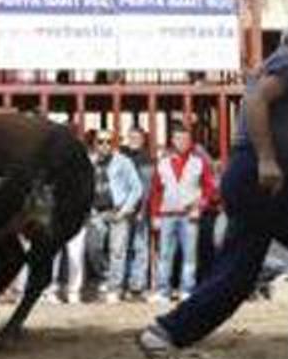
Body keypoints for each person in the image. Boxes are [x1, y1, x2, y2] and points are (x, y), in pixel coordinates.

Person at [137, 15, 288, 359]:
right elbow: (255, 102)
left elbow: (279, 142)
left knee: (238, 275)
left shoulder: (277, 65)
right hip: (263, 179)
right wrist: (265, 161)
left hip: (252, 176)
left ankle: (164, 333)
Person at [150, 124, 217, 305]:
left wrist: (200, 206)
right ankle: (163, 290)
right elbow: (156, 191)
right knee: (165, 255)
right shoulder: (163, 163)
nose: (182, 142)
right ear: (172, 141)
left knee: (189, 255)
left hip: (189, 216)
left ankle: (187, 289)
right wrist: (155, 215)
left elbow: (210, 188)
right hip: (166, 215)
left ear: (190, 142)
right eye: (178, 139)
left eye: (186, 139)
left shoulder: (199, 162)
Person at [87, 131, 144, 304]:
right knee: (93, 248)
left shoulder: (124, 162)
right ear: (95, 144)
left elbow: (137, 188)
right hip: (96, 212)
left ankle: (114, 288)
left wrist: (125, 210)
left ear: (114, 144)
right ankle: (105, 276)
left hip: (118, 210)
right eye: (101, 141)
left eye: (108, 142)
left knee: (117, 252)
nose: (104, 145)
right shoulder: (90, 162)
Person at [120, 128, 156, 300]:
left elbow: (147, 189)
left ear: (143, 140)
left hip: (140, 211)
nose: (134, 140)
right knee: (123, 247)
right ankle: (124, 282)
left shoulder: (147, 159)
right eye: (131, 137)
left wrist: (142, 210)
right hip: (124, 209)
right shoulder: (122, 157)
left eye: (137, 137)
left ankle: (137, 285)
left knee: (140, 247)